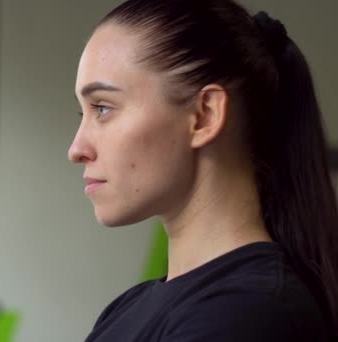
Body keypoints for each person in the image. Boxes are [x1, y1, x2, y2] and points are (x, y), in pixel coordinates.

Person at [68, 0, 338, 341]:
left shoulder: (246, 315)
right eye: (84, 114)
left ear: (204, 116)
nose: (76, 150)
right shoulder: (129, 307)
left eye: (103, 109)